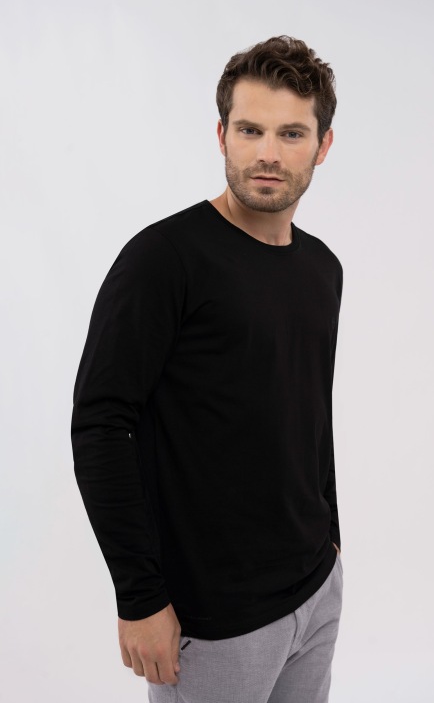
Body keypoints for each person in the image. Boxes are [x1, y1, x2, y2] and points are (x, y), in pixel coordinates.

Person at [71, 34, 344, 703]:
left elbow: (309, 413)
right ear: (222, 134)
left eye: (291, 133)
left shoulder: (322, 268)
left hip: (316, 591)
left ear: (323, 145)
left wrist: (331, 536)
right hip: (214, 619)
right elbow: (102, 424)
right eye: (250, 130)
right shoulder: (164, 260)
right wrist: (139, 597)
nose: (268, 153)